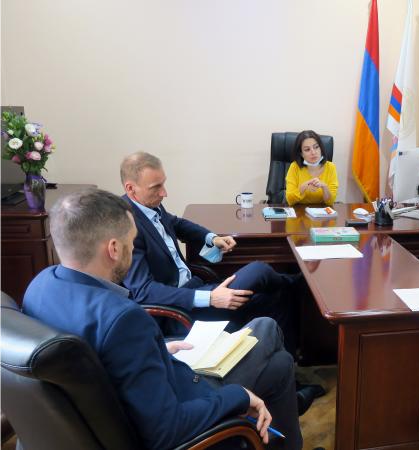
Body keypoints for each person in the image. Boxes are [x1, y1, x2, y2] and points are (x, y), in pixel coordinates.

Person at [22, 188, 303, 450]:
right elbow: (166, 432)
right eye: (131, 242)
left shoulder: (39, 286)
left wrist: (156, 350)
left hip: (138, 393)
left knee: (279, 366)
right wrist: (239, 396)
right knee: (266, 327)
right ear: (114, 249)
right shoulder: (124, 320)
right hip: (182, 404)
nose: (132, 250)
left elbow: (101, 358)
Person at [119, 152, 297, 342]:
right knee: (258, 271)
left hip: (196, 288)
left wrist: (212, 238)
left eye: (163, 184)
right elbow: (143, 291)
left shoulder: (148, 204)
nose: (164, 193)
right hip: (178, 311)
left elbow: (176, 223)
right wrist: (211, 298)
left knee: (278, 298)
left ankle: (288, 354)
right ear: (131, 188)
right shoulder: (125, 226)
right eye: (156, 187)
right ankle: (297, 281)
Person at [285, 130, 338, 206]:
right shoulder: (294, 167)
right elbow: (290, 200)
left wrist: (324, 187)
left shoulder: (330, 167)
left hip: (322, 211)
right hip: (299, 211)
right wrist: (304, 187)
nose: (313, 152)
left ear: (321, 148)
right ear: (301, 154)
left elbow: (330, 202)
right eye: (307, 149)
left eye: (316, 147)